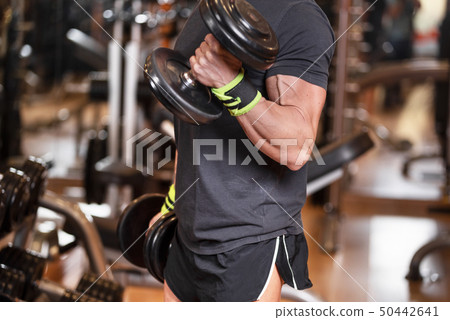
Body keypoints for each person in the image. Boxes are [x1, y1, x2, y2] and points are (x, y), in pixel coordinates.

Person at [150, 0, 335, 302]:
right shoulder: (209, 6)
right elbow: (192, 123)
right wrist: (173, 202)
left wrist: (229, 82)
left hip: (247, 239)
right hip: (187, 232)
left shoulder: (299, 16)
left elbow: (298, 146)